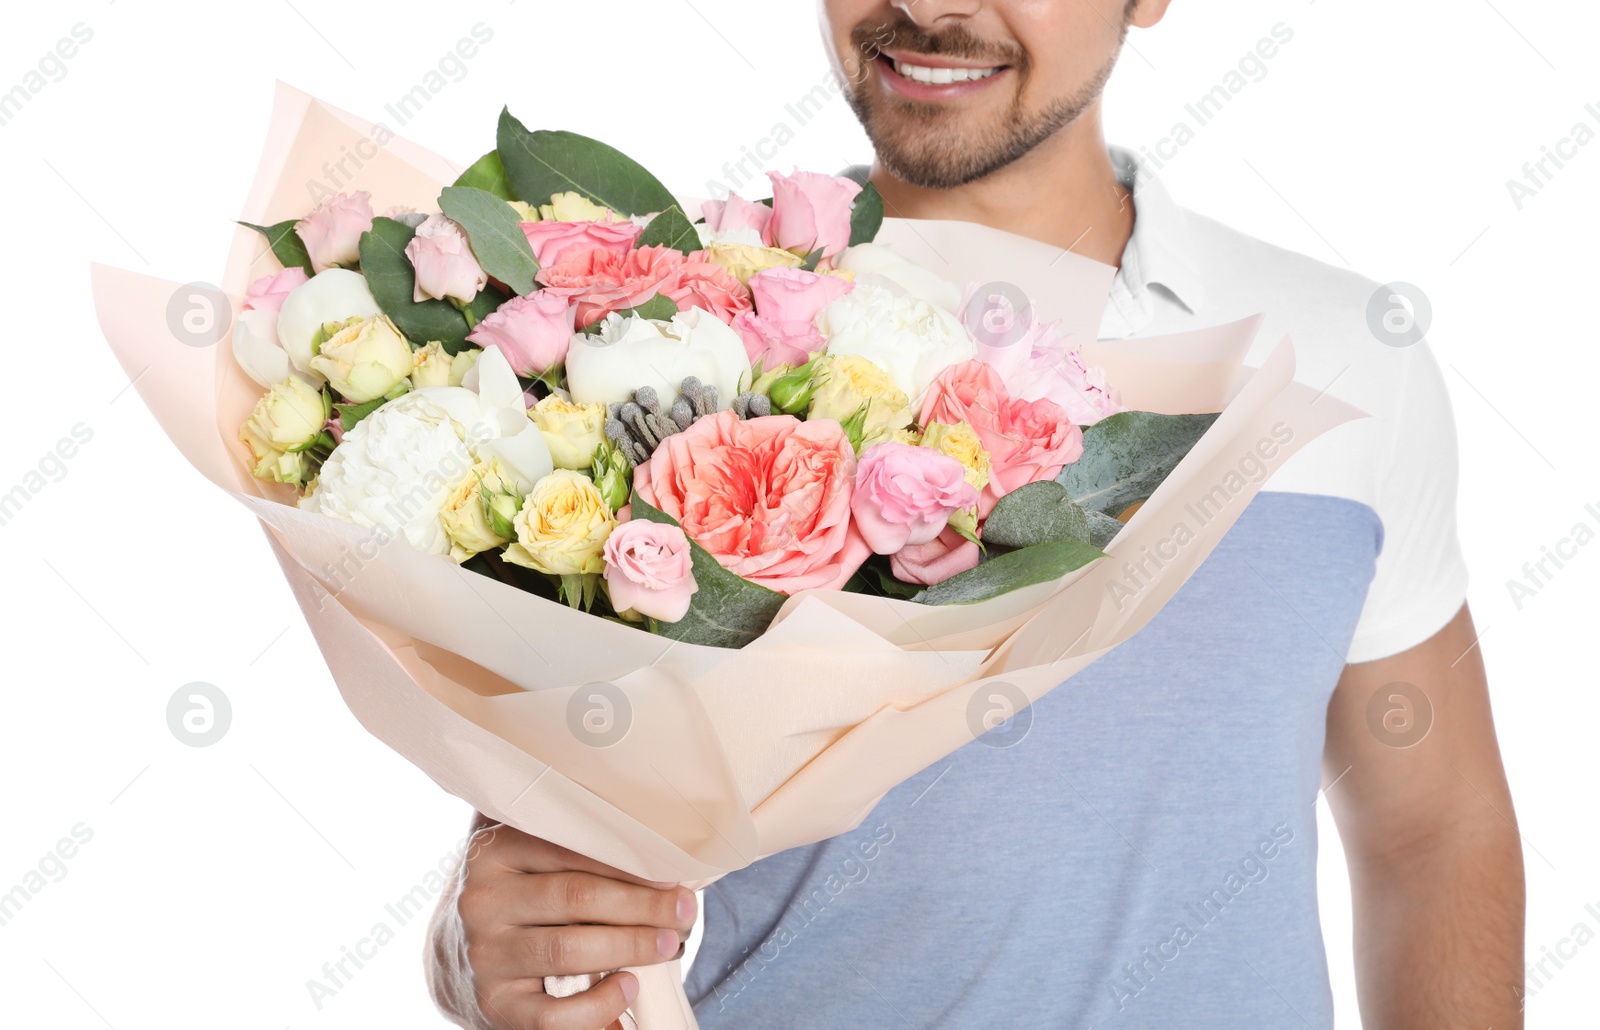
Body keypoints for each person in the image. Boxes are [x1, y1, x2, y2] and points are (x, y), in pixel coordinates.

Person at [426, 2, 1526, 1027]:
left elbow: (1436, 832)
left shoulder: (1340, 357)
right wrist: (473, 950)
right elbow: (555, 853)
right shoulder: (662, 348)